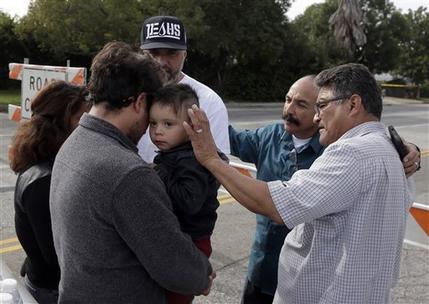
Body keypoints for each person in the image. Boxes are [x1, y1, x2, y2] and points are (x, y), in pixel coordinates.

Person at [184, 63, 416, 303]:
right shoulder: (391, 150)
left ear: (353, 104)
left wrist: (211, 159)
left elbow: (276, 203)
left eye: (322, 105)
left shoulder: (350, 153)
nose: (317, 117)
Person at [49, 42, 214, 304]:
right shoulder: (128, 173)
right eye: (151, 110)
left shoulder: (73, 143)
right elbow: (180, 270)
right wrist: (202, 274)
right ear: (139, 102)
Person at [10, 80, 90, 304]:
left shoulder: (48, 164)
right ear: (60, 123)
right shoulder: (43, 180)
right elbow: (57, 256)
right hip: (53, 293)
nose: (90, 123)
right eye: (83, 117)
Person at [149, 83, 226, 304]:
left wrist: (158, 172)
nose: (158, 131)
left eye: (168, 124)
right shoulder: (173, 153)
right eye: (153, 123)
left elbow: (189, 201)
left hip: (192, 243)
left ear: (191, 125)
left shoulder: (192, 159)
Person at [137, 15, 230, 162]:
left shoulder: (208, 101)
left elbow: (218, 166)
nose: (161, 62)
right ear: (142, 55)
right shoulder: (128, 93)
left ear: (184, 55)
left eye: (171, 53)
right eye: (154, 53)